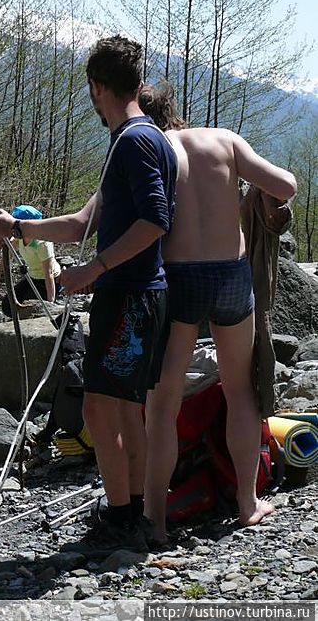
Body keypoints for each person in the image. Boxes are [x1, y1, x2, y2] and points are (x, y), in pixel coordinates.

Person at [0, 35, 177, 552]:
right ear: (135, 83)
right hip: (138, 295)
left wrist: (95, 268)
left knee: (99, 409)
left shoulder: (135, 142)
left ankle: (120, 517)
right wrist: (20, 229)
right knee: (120, 410)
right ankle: (131, 512)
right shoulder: (140, 138)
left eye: (90, 90)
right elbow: (79, 224)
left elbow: (155, 220)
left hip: (131, 296)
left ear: (98, 87)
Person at [139, 81, 297, 546]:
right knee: (240, 392)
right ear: (176, 111)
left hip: (180, 275)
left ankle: (156, 519)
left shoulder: (149, 146)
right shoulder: (224, 138)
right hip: (231, 273)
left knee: (163, 402)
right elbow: (285, 184)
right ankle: (248, 505)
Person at [0, 205, 62, 317]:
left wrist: (50, 303)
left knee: (35, 309)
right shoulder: (19, 237)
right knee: (8, 306)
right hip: (33, 277)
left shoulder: (42, 242)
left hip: (49, 281)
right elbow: (8, 253)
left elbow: (49, 274)